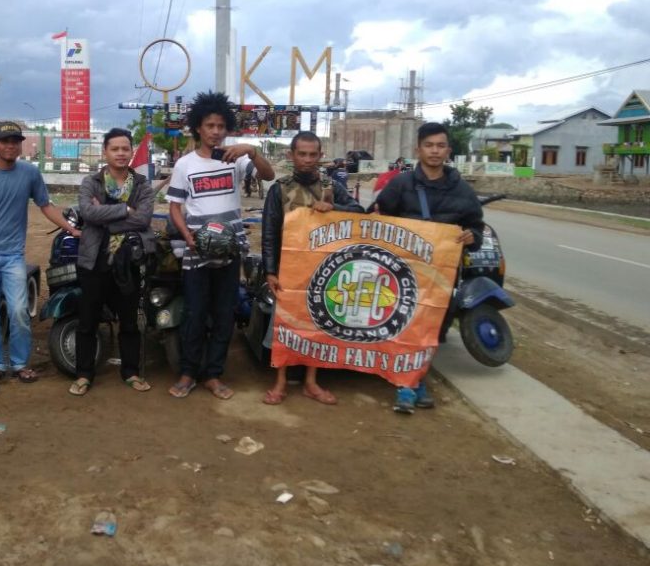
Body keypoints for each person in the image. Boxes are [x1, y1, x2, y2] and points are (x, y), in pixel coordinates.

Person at [166, 91, 275, 400]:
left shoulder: (235, 159)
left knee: (224, 313)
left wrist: (252, 152)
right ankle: (188, 373)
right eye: (209, 125)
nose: (215, 131)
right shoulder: (185, 165)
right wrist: (188, 236)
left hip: (230, 250)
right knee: (194, 313)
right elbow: (175, 207)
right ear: (198, 128)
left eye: (220, 126)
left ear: (227, 128)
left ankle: (213, 375)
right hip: (197, 251)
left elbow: (269, 175)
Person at [375, 121, 485, 415]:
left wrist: (472, 236)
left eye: (440, 146)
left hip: (442, 274)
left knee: (432, 329)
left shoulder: (463, 191)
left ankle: (416, 378)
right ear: (418, 149)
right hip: (404, 272)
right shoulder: (401, 185)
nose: (435, 151)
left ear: (448, 150)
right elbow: (380, 220)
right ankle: (409, 385)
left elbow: (476, 227)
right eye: (429, 145)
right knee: (405, 324)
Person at [0, 120, 81, 384]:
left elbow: (46, 206)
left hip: (13, 256)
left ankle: (19, 363)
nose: (10, 145)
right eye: (4, 141)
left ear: (20, 146)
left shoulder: (29, 173)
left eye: (15, 141)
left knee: (19, 311)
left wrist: (72, 230)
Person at [261, 131, 364, 406]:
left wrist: (333, 207)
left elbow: (359, 212)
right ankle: (280, 382)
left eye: (312, 154)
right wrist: (270, 270)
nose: (307, 160)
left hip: (324, 271)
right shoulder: (279, 189)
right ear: (291, 155)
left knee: (318, 324)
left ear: (320, 156)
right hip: (288, 269)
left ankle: (311, 382)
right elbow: (269, 232)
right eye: (302, 154)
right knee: (283, 324)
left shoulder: (331, 187)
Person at [69, 128, 156, 396]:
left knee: (129, 320)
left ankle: (130, 372)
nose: (120, 153)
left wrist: (104, 216)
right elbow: (87, 212)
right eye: (114, 148)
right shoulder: (91, 182)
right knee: (88, 320)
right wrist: (124, 209)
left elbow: (143, 219)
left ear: (131, 152)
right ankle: (83, 374)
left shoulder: (142, 184)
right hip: (94, 261)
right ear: (105, 152)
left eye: (125, 148)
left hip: (129, 260)